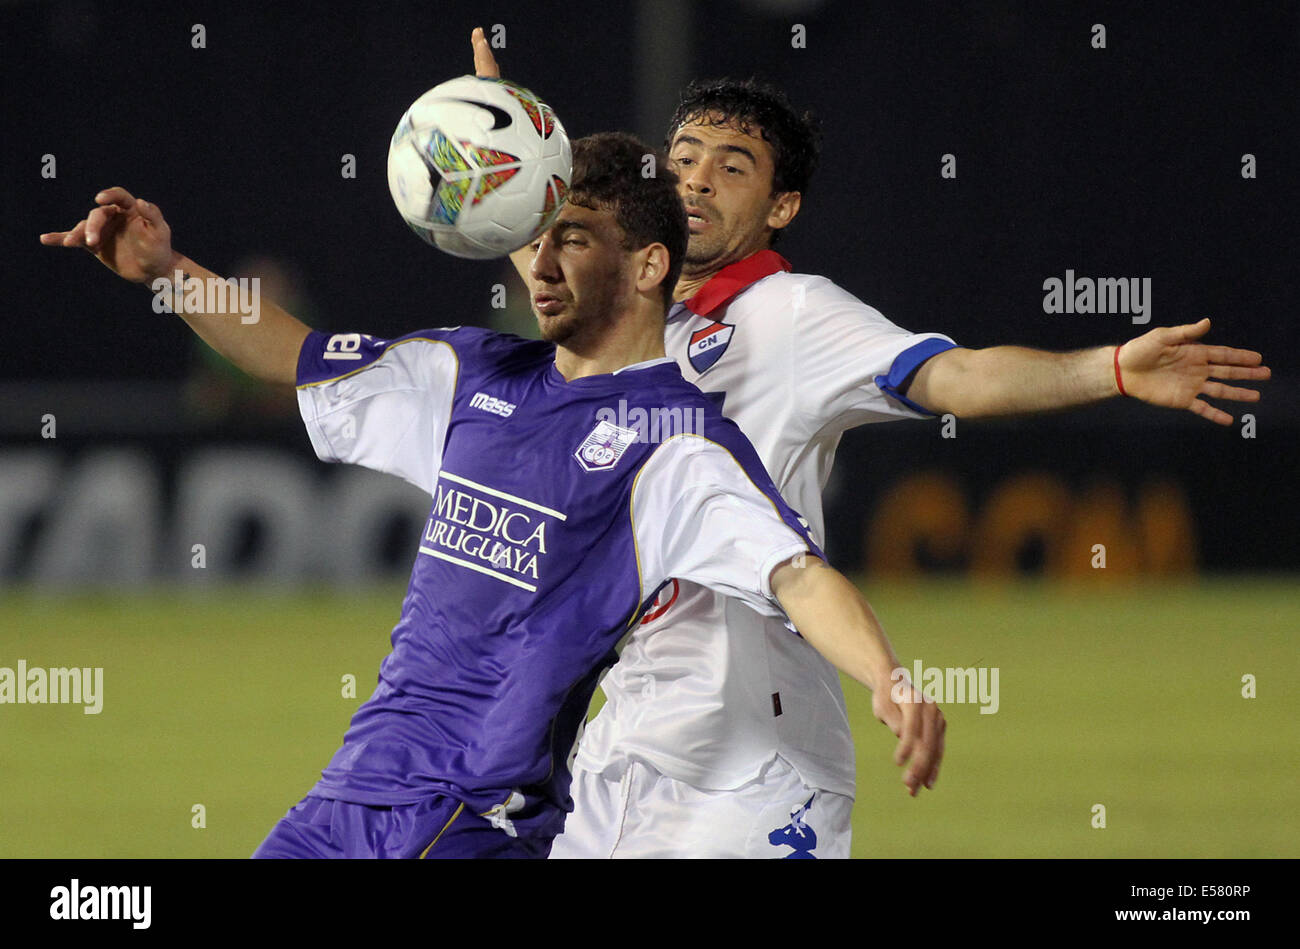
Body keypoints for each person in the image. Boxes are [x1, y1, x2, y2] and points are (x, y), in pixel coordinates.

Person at [473, 33, 1271, 859]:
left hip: (758, 765)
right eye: (684, 158)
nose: (699, 178)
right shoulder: (635, 317)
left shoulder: (793, 314)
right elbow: (547, 262)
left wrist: (1106, 368)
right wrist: (507, 148)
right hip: (624, 750)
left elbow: (954, 378)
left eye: (735, 165)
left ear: (781, 208)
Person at [39, 131, 944, 858]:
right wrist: (167, 269)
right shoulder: (468, 372)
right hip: (349, 794)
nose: (541, 263)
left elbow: (796, 574)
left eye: (573, 238)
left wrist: (889, 678)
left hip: (475, 814)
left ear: (647, 268)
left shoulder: (675, 442)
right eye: (533, 237)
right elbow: (290, 353)